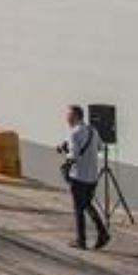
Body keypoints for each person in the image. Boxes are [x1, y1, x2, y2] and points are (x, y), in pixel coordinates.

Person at [57, 105, 110, 251]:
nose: (66, 118)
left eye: (69, 115)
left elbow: (73, 155)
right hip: (92, 176)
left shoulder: (73, 133)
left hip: (78, 176)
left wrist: (66, 155)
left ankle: (81, 240)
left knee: (79, 209)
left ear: (75, 116)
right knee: (87, 204)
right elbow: (100, 147)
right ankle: (103, 233)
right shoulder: (93, 131)